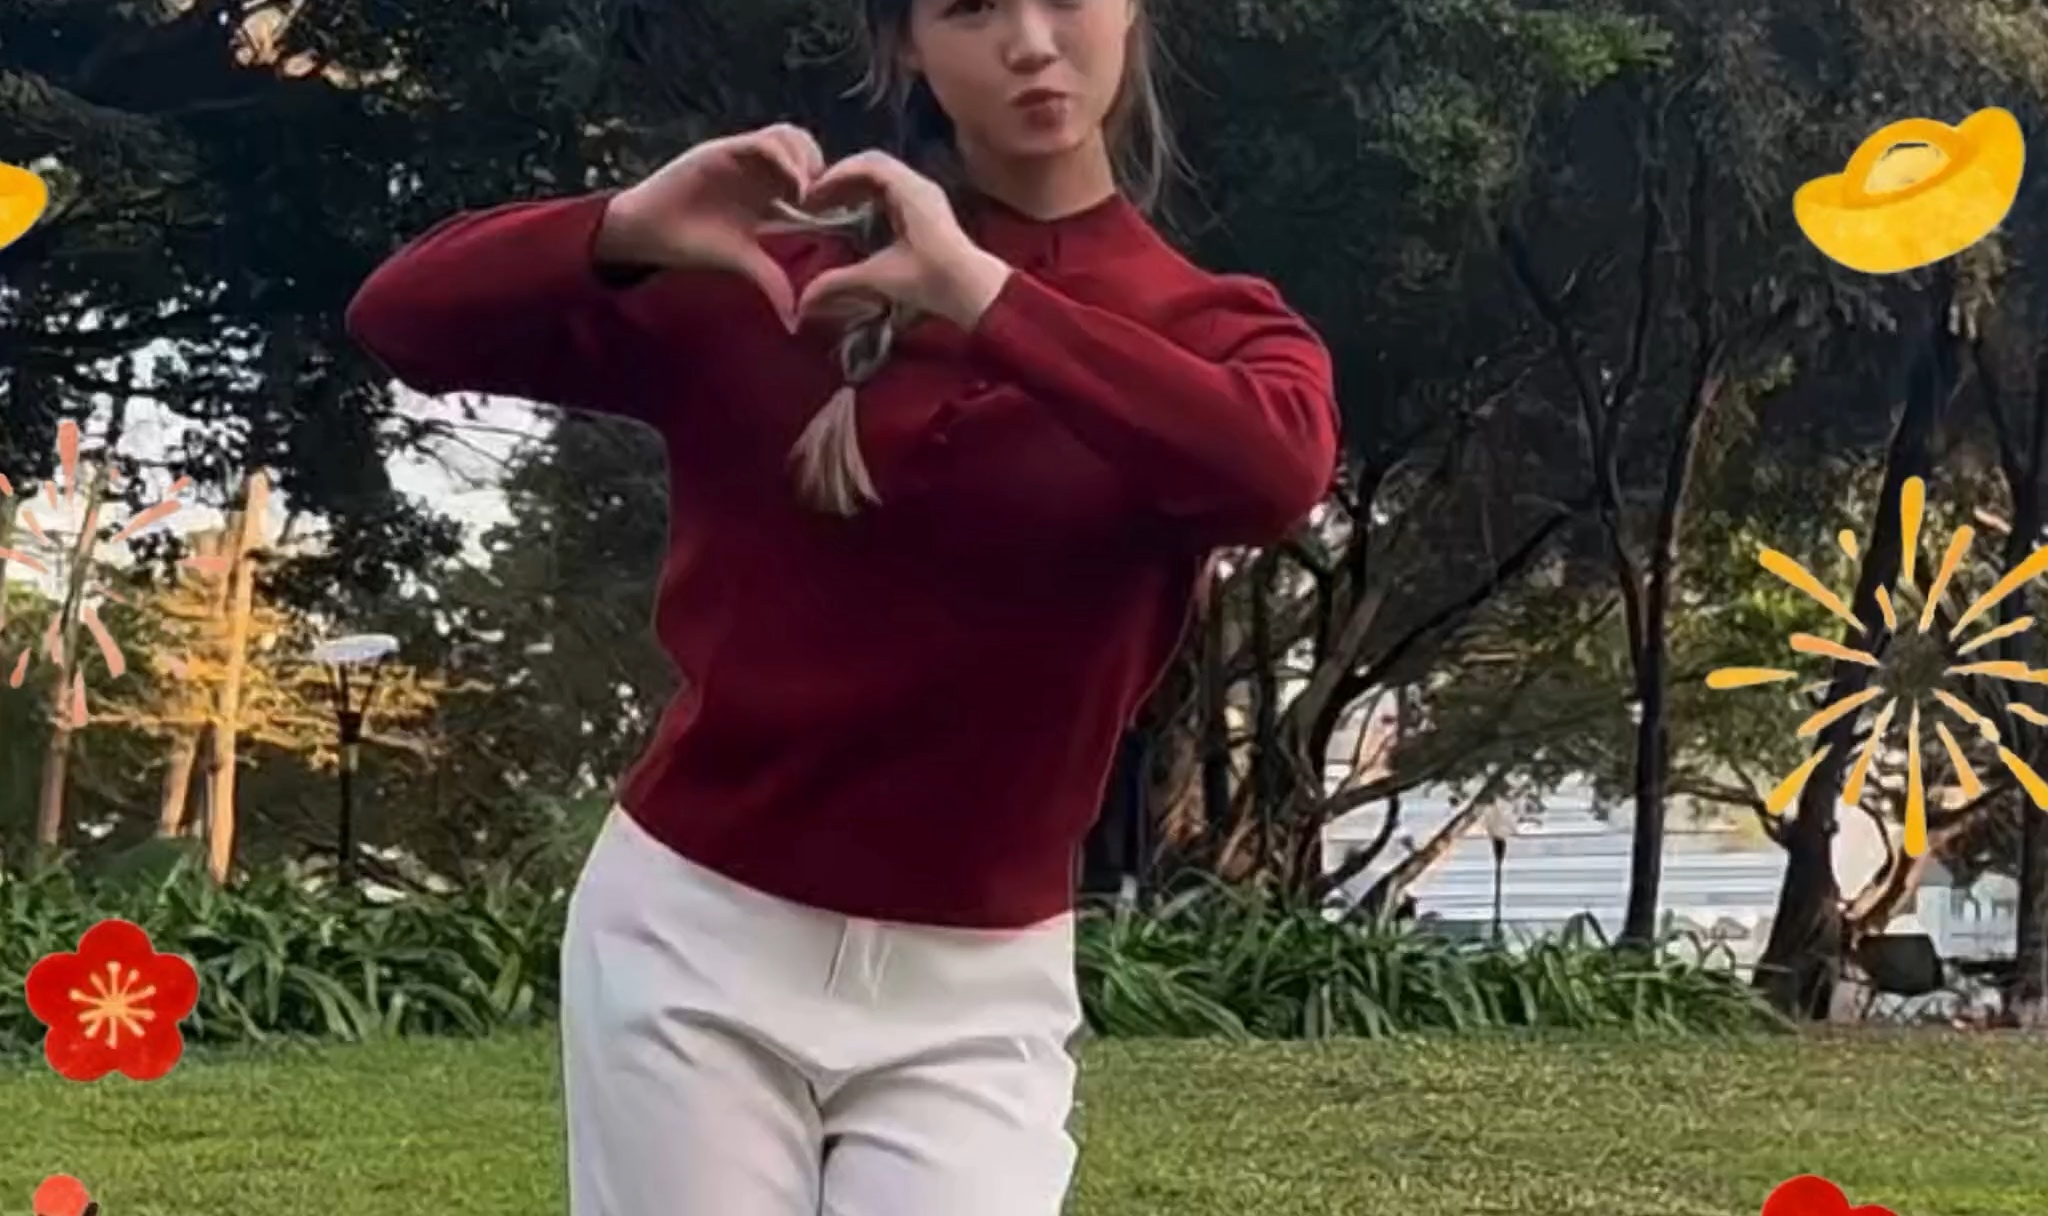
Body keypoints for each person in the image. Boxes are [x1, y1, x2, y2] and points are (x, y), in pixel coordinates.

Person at [345, 1, 1338, 1212]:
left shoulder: (1210, 328)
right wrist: (624, 225)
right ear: (905, 41)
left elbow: (1273, 473)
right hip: (695, 941)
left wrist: (982, 296)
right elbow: (401, 318)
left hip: (978, 990)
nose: (1032, 41)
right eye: (970, 7)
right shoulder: (776, 275)